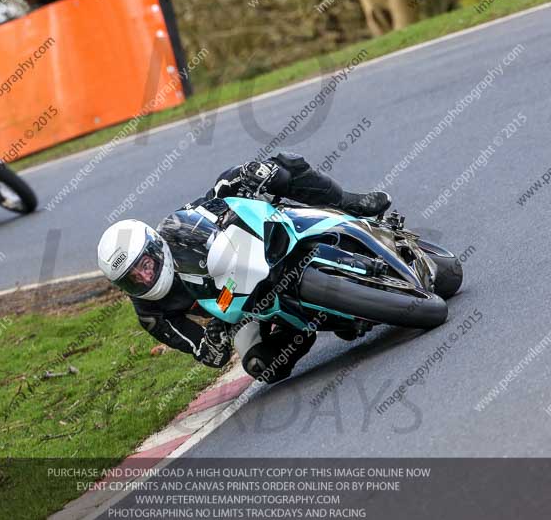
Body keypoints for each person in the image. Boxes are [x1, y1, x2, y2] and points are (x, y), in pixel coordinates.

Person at [97, 152, 391, 383]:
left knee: (283, 165)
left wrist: (246, 175)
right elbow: (209, 355)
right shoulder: (150, 313)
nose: (145, 278)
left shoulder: (178, 232)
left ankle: (350, 203)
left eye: (145, 265)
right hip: (238, 309)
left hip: (255, 252)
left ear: (154, 246)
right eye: (132, 279)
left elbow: (214, 197)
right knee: (262, 365)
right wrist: (213, 339)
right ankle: (303, 328)